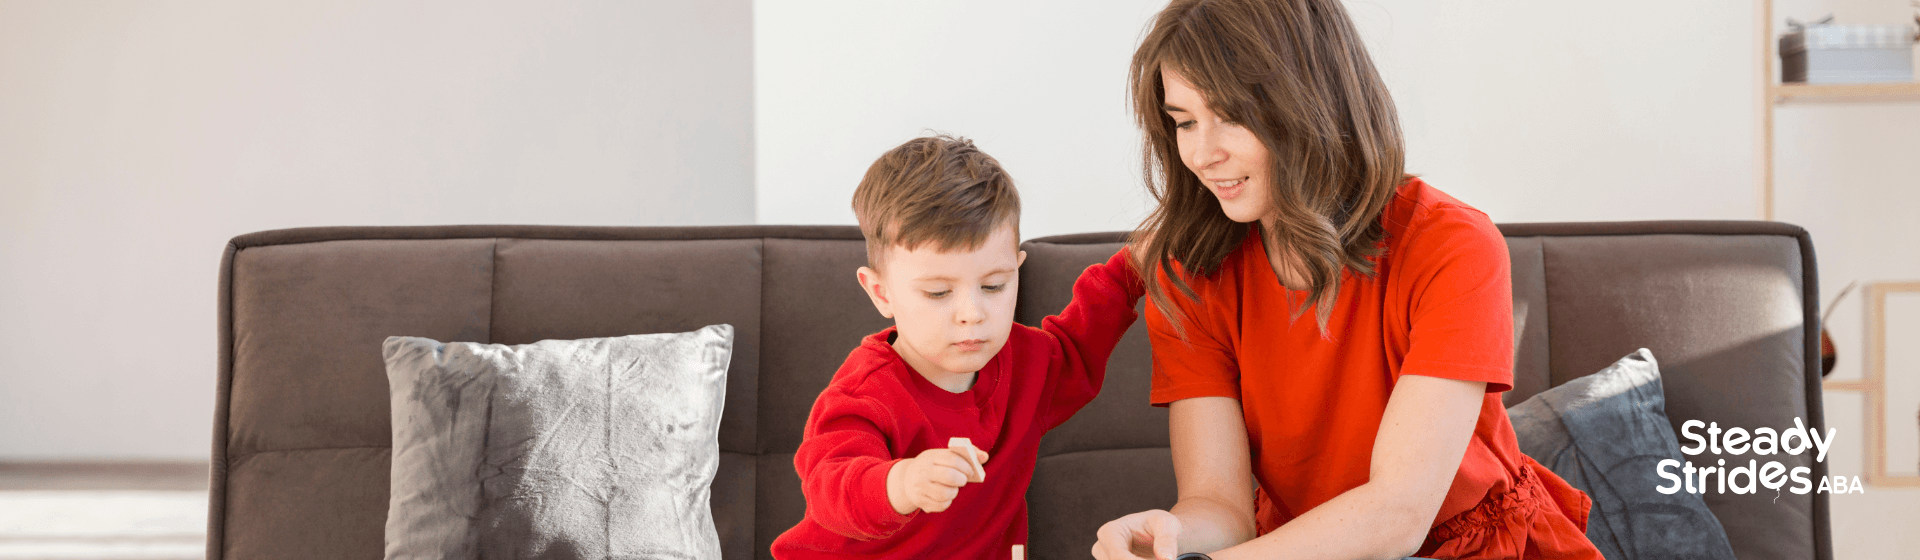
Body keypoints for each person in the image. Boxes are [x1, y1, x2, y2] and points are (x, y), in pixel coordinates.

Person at [1090, 1, 1604, 559]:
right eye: (1185, 121)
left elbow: (1398, 513)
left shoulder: (1452, 245)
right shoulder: (1189, 276)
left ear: (1312, 102)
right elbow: (1221, 506)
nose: (1201, 153)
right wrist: (1171, 540)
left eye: (1232, 115)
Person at [770, 135, 1146, 559]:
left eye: (994, 286)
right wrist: (903, 483)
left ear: (1017, 272)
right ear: (881, 292)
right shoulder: (865, 394)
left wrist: (1132, 271)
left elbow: (1079, 345)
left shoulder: (1026, 364)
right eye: (937, 293)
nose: (972, 313)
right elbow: (831, 485)